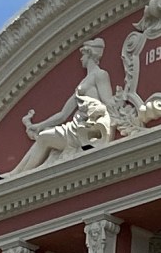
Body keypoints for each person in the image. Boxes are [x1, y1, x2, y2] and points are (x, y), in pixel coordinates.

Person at [14, 39, 117, 171]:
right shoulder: (83, 83)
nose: (81, 59)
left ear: (90, 54)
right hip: (75, 126)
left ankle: (20, 174)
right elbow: (63, 114)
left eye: (83, 55)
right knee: (42, 136)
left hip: (86, 129)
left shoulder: (100, 75)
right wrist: (39, 126)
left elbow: (108, 102)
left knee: (44, 138)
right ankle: (15, 173)